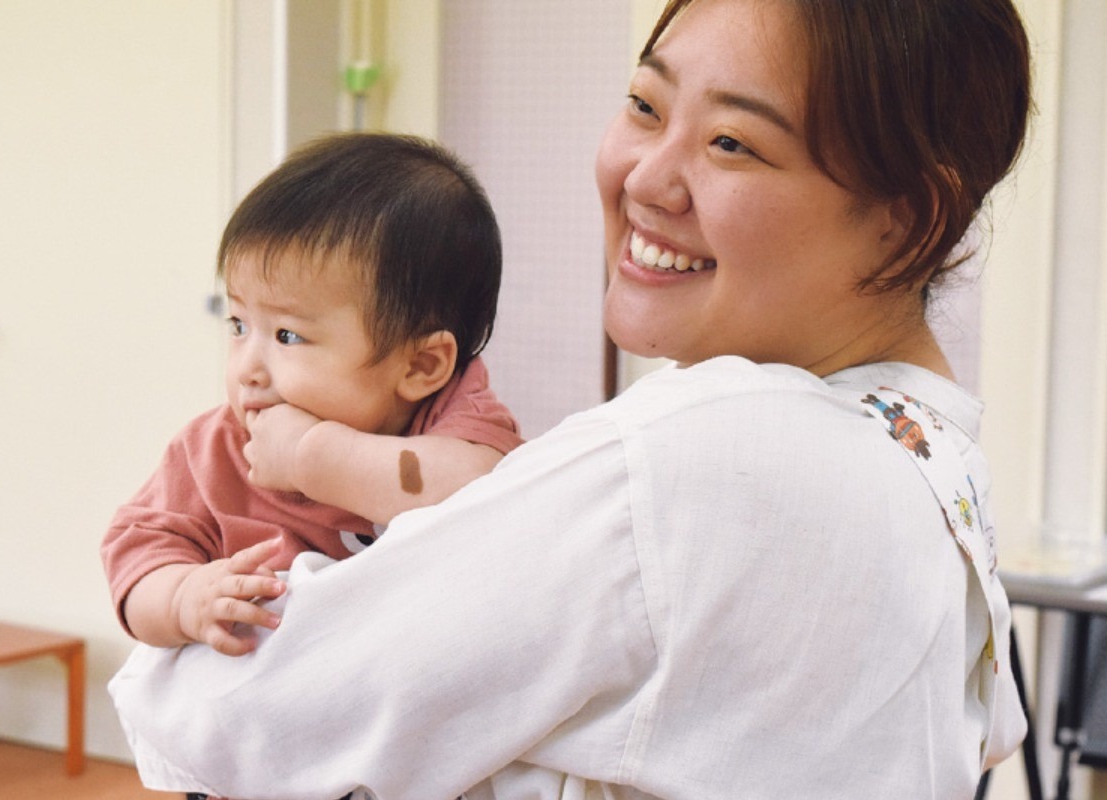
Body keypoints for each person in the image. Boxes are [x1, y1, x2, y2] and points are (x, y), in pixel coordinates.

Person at [108, 0, 1032, 797]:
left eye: (732, 143)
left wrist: (178, 622)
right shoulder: (932, 449)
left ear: (903, 221)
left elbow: (252, 708)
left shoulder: (700, 456)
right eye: (644, 105)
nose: (644, 177)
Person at [101, 132, 523, 656]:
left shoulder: (452, 416)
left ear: (421, 365)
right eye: (237, 324)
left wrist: (310, 456)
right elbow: (136, 557)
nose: (248, 368)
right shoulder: (214, 449)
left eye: (287, 336)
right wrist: (185, 596)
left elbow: (486, 493)